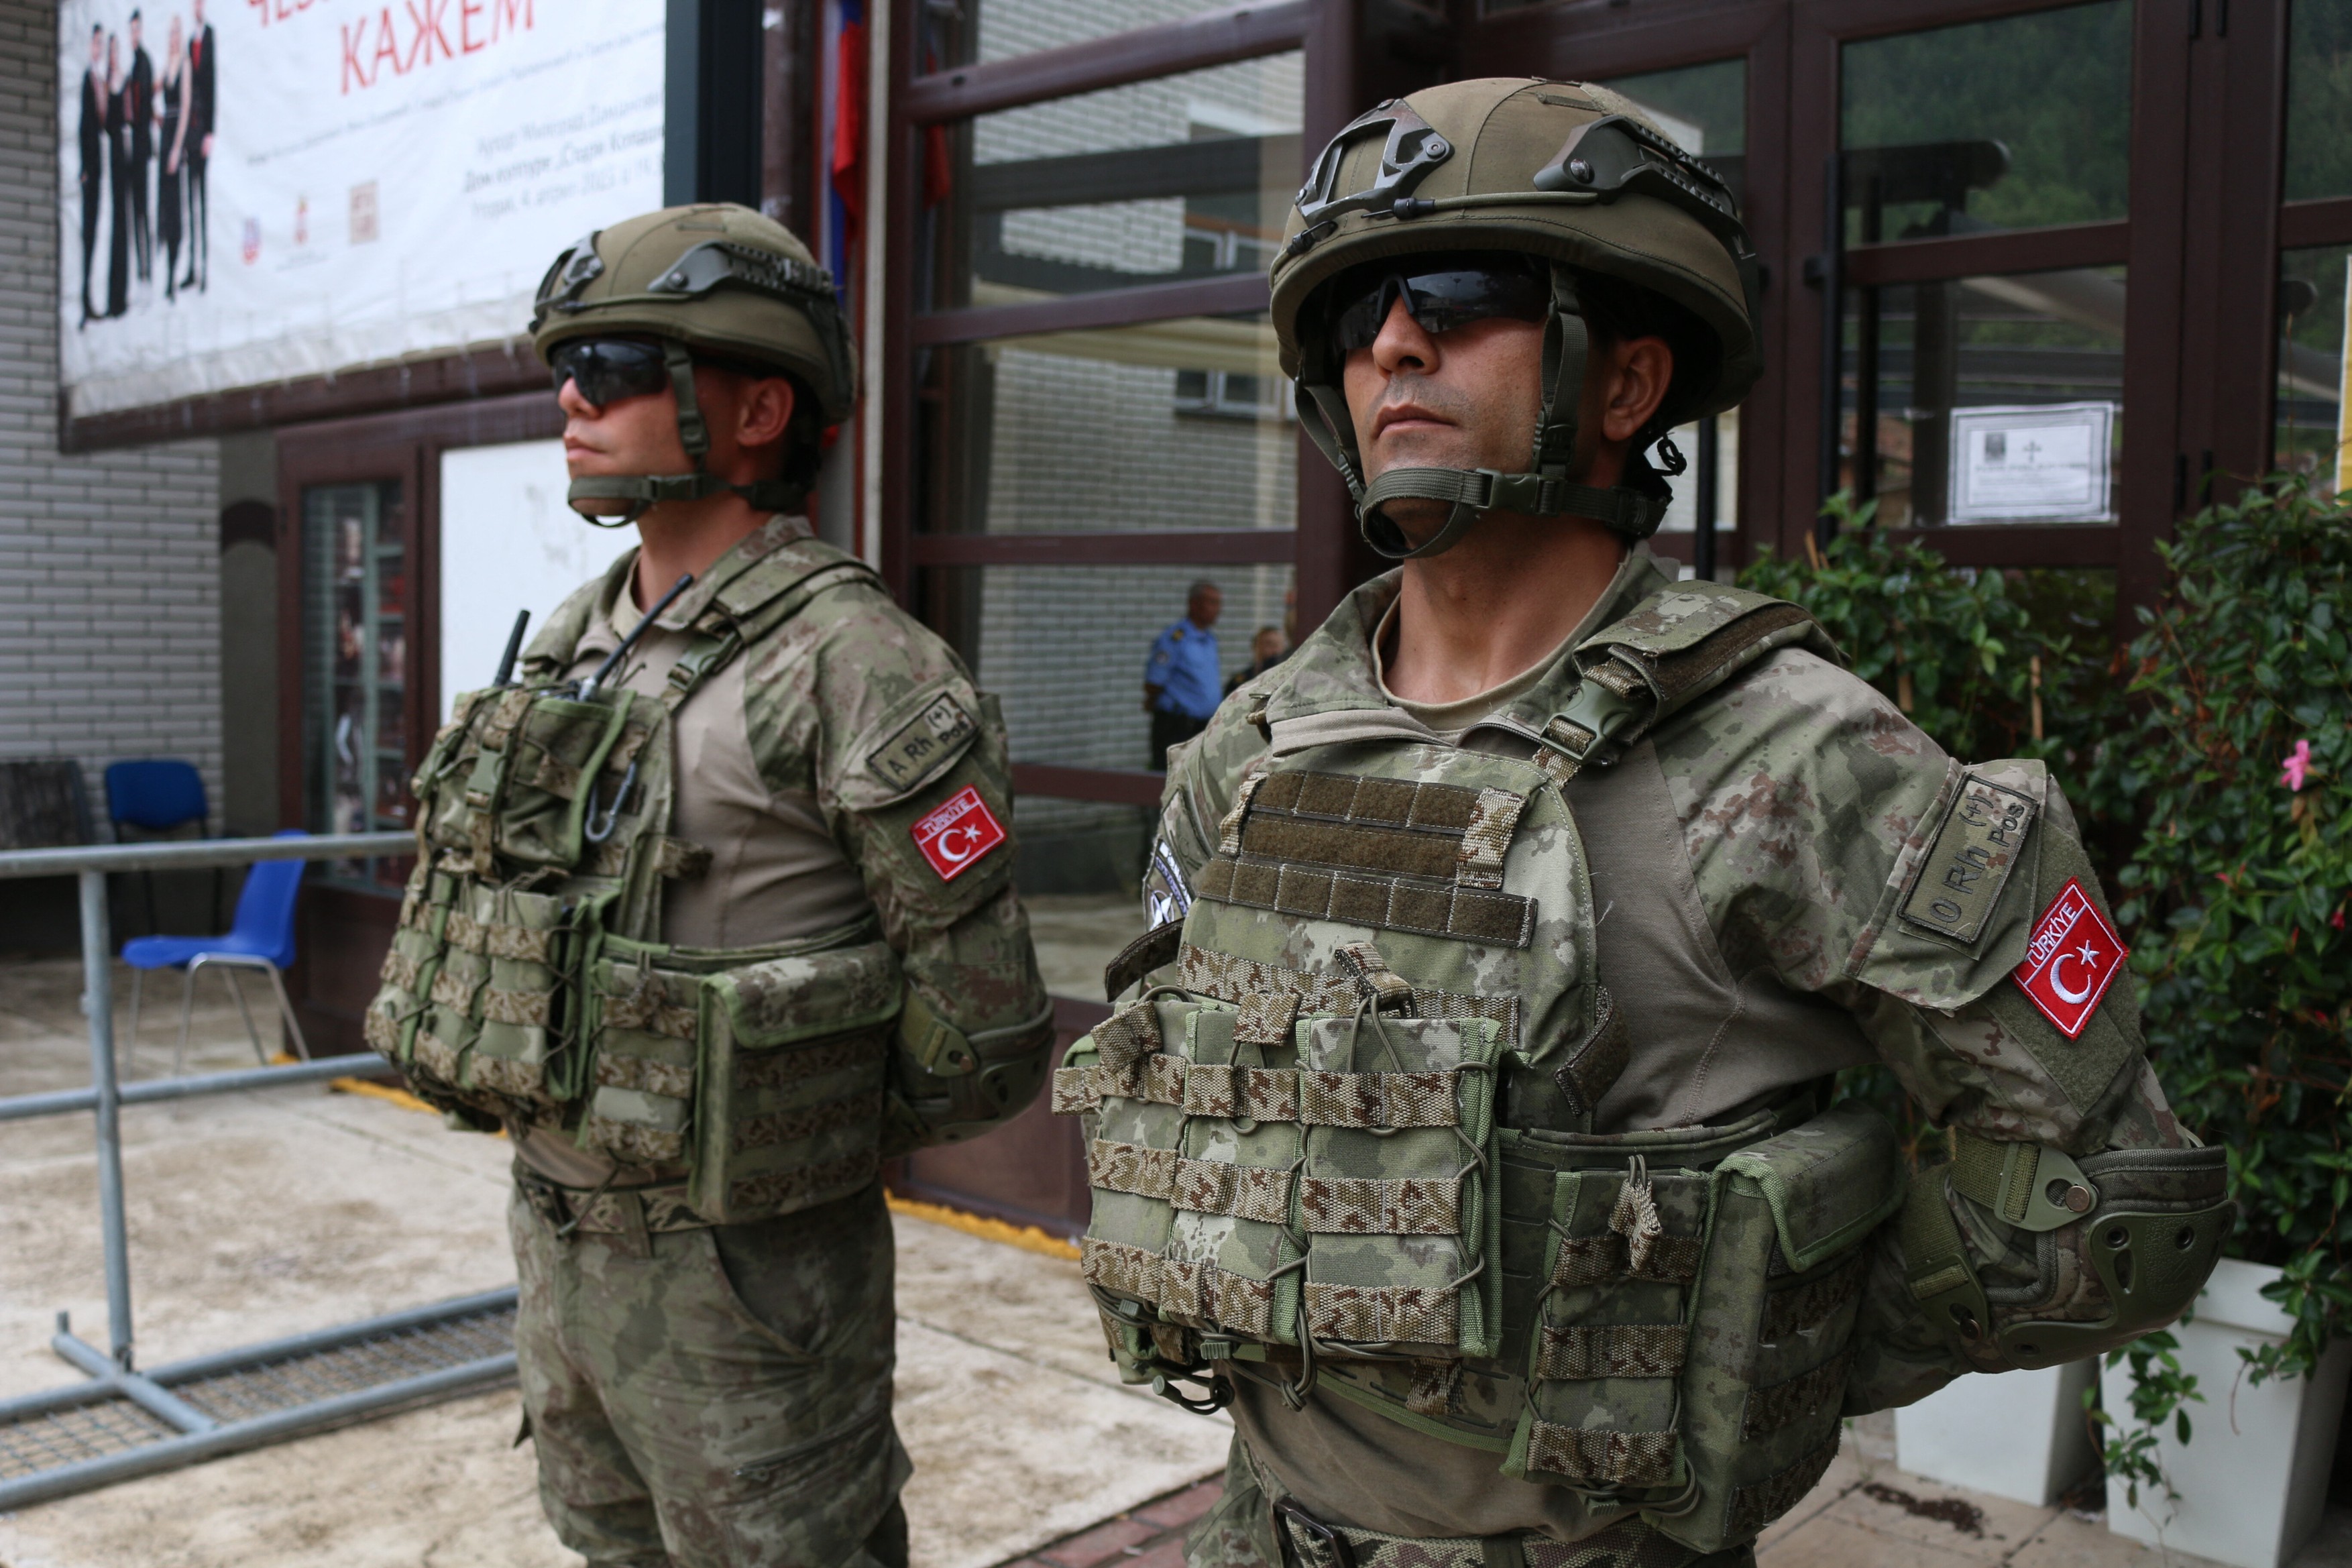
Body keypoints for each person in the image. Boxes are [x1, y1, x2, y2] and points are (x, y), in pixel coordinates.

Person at [1060, 81, 2228, 1568]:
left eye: (1461, 296)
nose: (1394, 344)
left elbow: (2112, 1189)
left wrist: (1760, 1338)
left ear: (1624, 386)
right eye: (1355, 314)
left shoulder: (1796, 752)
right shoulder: (1251, 744)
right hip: (1258, 1531)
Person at [363, 204, 1053, 1568]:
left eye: (616, 364)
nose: (572, 396)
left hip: (751, 1284)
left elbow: (977, 1034)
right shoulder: (575, 638)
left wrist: (771, 1107)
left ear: (754, 407)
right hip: (561, 1244)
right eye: (567, 365)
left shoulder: (859, 665)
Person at [1142, 579, 1221, 767]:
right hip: (1177, 728)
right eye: (1212, 602)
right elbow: (1153, 682)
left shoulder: (1209, 639)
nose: (1218, 609)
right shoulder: (1176, 639)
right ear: (1194, 604)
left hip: (1203, 728)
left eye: (1218, 603)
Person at [182, 0, 213, 292]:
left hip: (202, 131)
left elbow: (211, 84)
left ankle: (204, 267)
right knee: (190, 204)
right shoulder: (189, 42)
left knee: (202, 202)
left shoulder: (211, 37)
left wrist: (210, 132)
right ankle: (192, 266)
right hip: (189, 133)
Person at [76, 24, 103, 328]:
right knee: (87, 237)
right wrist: (84, 169)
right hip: (90, 173)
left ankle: (89, 299)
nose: (97, 50)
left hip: (98, 171)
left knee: (94, 236)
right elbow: (83, 129)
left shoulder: (99, 81)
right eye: (95, 44)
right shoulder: (87, 81)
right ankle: (84, 301)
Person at [158, 15, 185, 302]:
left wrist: (177, 148)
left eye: (178, 32)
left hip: (176, 143)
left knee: (176, 213)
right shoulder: (166, 67)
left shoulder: (184, 66)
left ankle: (173, 276)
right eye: (171, 33)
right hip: (165, 137)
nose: (174, 37)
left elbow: (186, 107)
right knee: (164, 211)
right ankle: (165, 276)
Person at [126, 10, 153, 284]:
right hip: (134, 150)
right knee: (136, 211)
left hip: (142, 149)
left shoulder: (143, 63)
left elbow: (141, 108)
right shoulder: (134, 64)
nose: (134, 36)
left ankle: (146, 270)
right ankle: (141, 269)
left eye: (137, 30)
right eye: (130, 30)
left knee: (143, 210)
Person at [103, 34, 129, 319]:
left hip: (124, 159)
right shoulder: (104, 82)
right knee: (114, 227)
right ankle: (112, 298)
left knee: (122, 224)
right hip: (111, 159)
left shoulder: (121, 79)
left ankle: (120, 297)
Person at [1223, 624, 1286, 696]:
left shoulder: (1287, 679)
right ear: (1256, 647)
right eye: (1270, 645)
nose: (1276, 651)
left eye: (1279, 645)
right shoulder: (1241, 682)